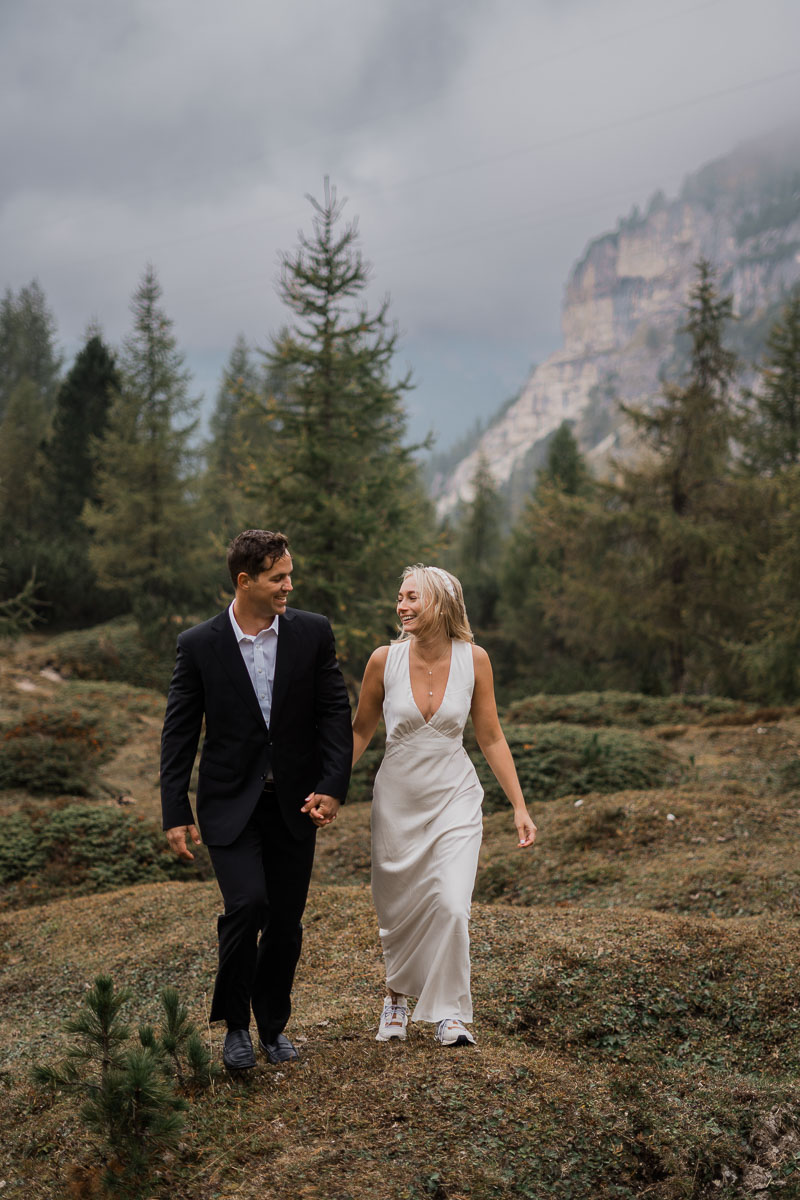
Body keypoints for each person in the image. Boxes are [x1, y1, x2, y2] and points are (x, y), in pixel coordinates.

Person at [160, 529, 352, 1070]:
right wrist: (175, 810)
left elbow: (334, 713)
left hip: (297, 803)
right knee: (247, 905)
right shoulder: (198, 645)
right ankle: (235, 1027)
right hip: (228, 804)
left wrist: (334, 785)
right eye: (278, 578)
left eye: (289, 574)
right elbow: (179, 732)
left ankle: (272, 1027)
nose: (289, 585)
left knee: (286, 922)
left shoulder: (312, 633)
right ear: (245, 582)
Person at [352, 564, 536, 1047]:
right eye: (400, 597)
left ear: (440, 604)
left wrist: (518, 804)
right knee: (400, 909)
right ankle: (396, 998)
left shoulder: (474, 660)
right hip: (396, 803)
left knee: (453, 906)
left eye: (412, 597)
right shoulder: (382, 661)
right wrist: (326, 788)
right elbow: (359, 731)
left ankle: (450, 1013)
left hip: (455, 796)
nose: (401, 606)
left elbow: (491, 736)